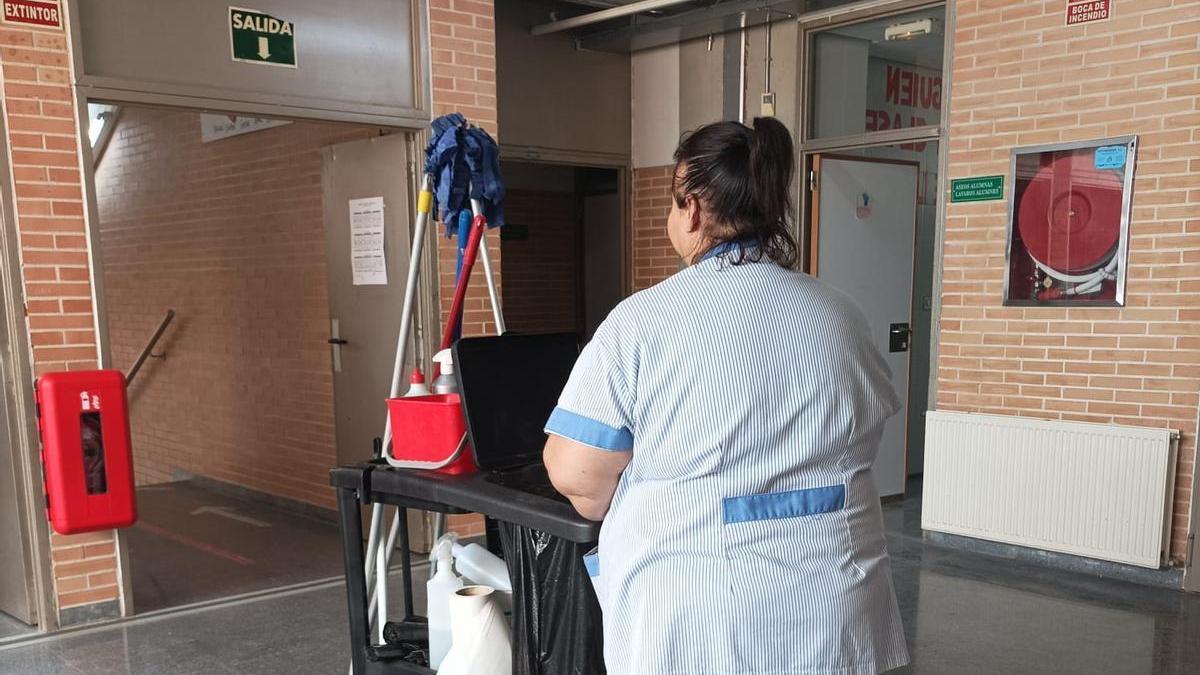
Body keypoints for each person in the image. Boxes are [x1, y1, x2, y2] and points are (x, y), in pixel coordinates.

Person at [542, 117, 909, 675]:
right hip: (834, 611)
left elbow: (577, 476)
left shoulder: (642, 322)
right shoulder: (841, 318)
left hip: (700, 619)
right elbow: (861, 440)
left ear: (690, 207)